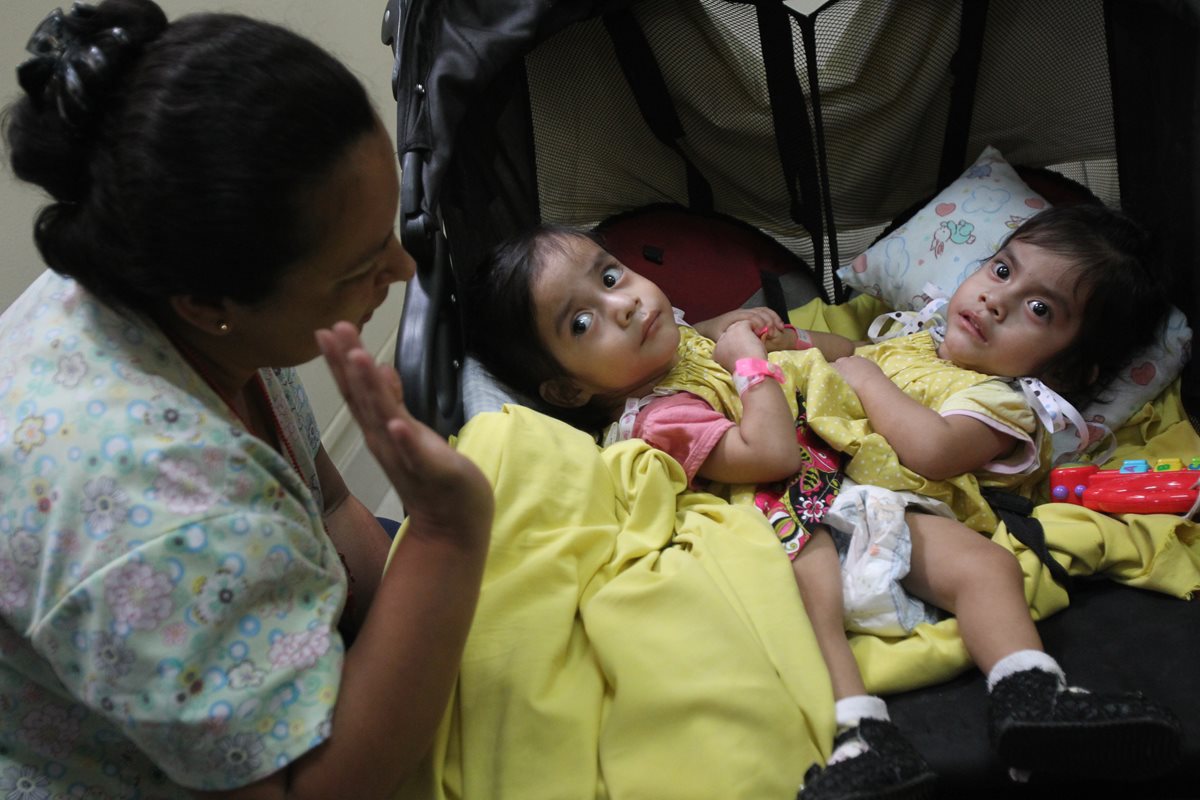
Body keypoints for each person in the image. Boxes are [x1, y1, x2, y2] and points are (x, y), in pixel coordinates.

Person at [460, 207, 1182, 800]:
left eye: (613, 276)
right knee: (810, 601)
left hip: (857, 490)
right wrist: (757, 361)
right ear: (567, 391)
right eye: (582, 323)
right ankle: (858, 733)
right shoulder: (658, 414)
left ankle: (1031, 691)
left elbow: (780, 347)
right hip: (777, 508)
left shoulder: (677, 342)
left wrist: (772, 337)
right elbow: (771, 447)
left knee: (984, 565)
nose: (624, 305)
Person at [0, 2, 492, 798]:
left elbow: (327, 508)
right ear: (207, 301)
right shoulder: (149, 513)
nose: (403, 271)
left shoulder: (185, 287)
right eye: (358, 267)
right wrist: (446, 534)